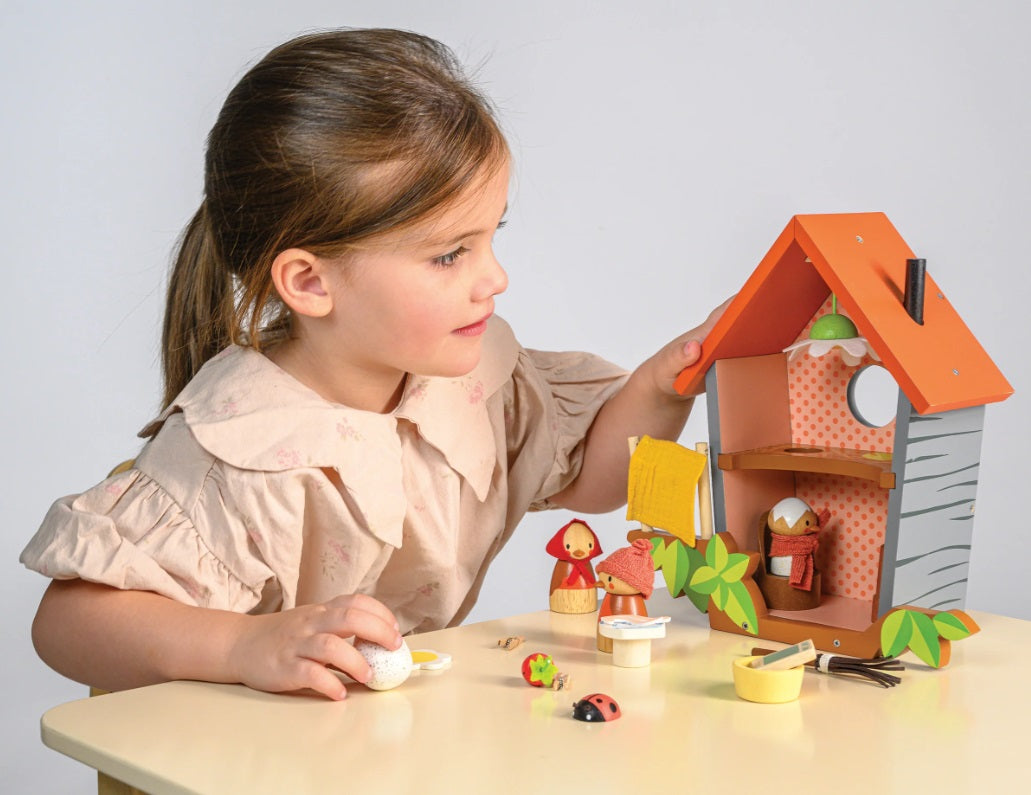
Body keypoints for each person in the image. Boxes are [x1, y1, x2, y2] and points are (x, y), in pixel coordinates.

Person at [21, 28, 724, 701]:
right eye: (450, 254)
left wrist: (662, 383)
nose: (495, 278)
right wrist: (242, 645)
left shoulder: (470, 384)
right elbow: (67, 624)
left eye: (489, 237)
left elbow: (593, 477)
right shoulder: (240, 446)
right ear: (310, 283)